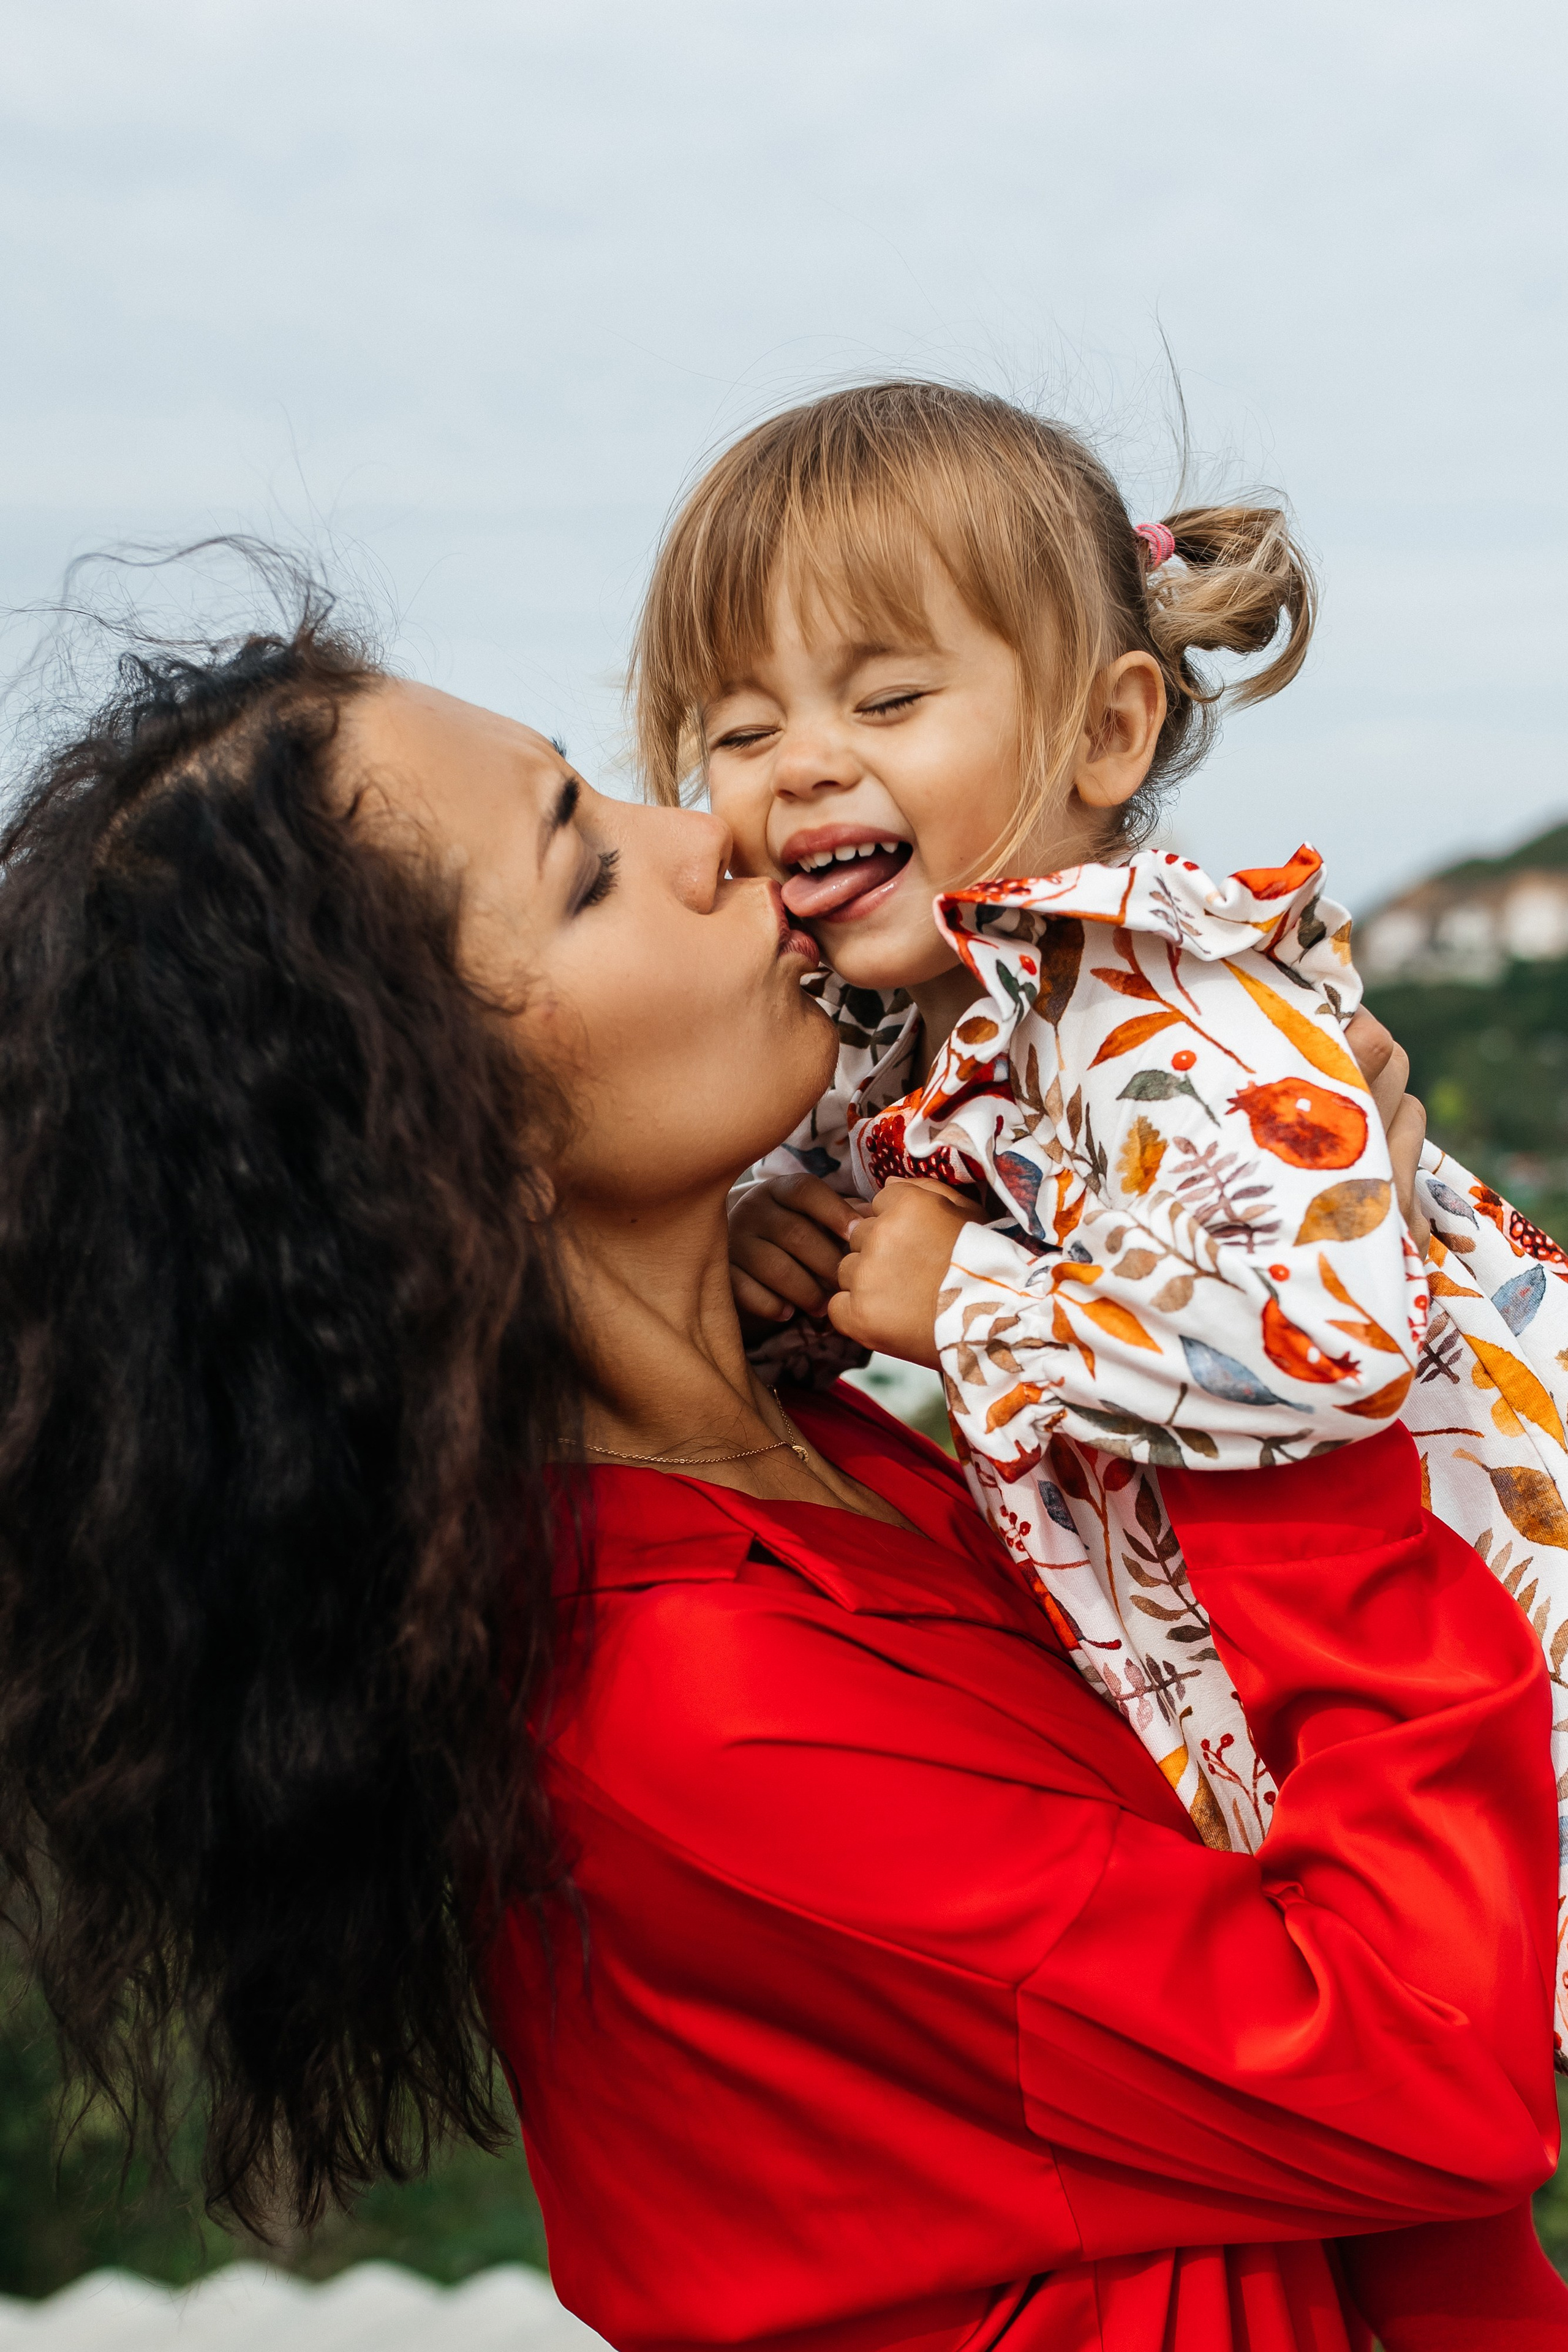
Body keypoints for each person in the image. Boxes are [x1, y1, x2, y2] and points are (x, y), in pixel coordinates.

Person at [0, 613, 1563, 2351]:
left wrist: (1200, 1288)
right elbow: (1425, 2072)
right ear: (441, 1144)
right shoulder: (684, 1706)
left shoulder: (803, 1451)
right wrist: (1292, 1414)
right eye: (588, 866)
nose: (713, 832)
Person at [633, 382, 1568, 2018]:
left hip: (1516, 1675)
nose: (800, 766)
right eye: (736, 725)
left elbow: (1328, 1336)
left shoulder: (1158, 1005)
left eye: (889, 695)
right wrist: (763, 1268)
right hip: (1344, 1752)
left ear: (1106, 734)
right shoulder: (881, 1045)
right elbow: (812, 1293)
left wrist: (961, 1305)